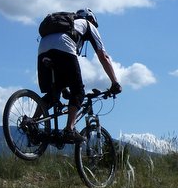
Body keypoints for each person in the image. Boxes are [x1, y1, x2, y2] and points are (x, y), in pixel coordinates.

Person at [36, 8, 121, 144]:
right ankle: (69, 130)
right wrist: (115, 82)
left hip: (43, 49)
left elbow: (63, 70)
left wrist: (63, 88)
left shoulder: (68, 25)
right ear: (91, 19)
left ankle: (32, 123)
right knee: (79, 91)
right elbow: (103, 56)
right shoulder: (88, 25)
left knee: (53, 94)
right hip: (63, 46)